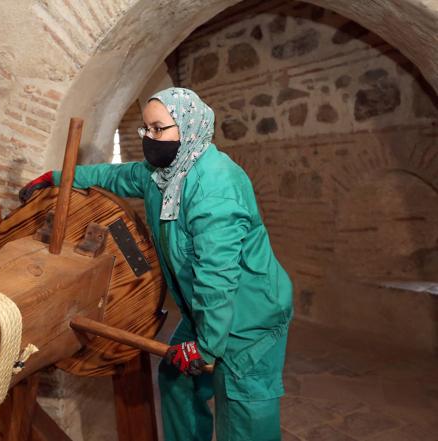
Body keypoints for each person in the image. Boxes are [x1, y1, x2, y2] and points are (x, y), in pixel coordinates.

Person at [19, 87, 293, 441]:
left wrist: (205, 347)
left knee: (243, 411)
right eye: (145, 129)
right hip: (204, 311)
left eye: (159, 128)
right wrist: (59, 179)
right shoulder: (162, 173)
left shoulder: (215, 187)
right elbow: (116, 176)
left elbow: (218, 277)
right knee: (176, 380)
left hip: (249, 316)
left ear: (189, 126)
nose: (150, 138)